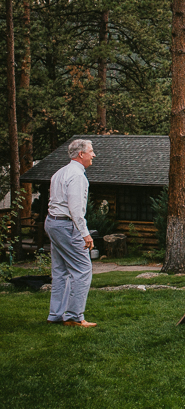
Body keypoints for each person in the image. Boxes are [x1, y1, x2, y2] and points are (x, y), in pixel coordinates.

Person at [45, 139, 97, 327]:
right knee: (83, 269)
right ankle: (74, 316)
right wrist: (86, 234)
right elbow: (75, 210)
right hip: (67, 226)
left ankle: (56, 315)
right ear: (81, 154)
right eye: (91, 151)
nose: (94, 155)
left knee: (60, 271)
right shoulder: (77, 176)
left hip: (53, 223)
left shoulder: (60, 173)